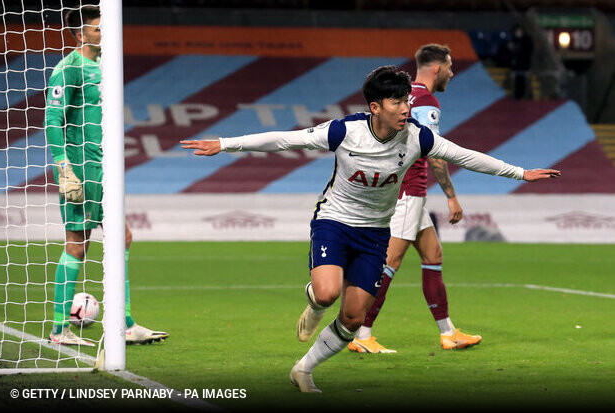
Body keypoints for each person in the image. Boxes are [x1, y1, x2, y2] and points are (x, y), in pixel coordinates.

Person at [181, 66, 559, 393]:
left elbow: (462, 155)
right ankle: (314, 300)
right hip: (335, 222)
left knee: (354, 318)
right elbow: (284, 139)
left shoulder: (417, 137)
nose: (406, 109)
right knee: (328, 294)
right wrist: (225, 143)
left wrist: (520, 173)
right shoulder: (344, 131)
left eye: (407, 101)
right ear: (375, 107)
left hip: (376, 232)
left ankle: (303, 369)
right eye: (397, 102)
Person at [45, 6, 168, 346]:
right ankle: (60, 329)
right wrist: (63, 167)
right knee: (78, 243)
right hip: (82, 168)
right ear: (80, 35)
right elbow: (52, 121)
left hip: (104, 168)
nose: (105, 34)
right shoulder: (68, 69)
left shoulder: (104, 67)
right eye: (98, 29)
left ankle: (124, 324)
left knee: (121, 237)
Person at [348, 44, 480, 354]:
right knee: (389, 263)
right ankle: (361, 333)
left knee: (433, 256)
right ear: (436, 69)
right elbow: (434, 153)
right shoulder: (426, 101)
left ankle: (448, 332)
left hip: (411, 192)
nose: (451, 72)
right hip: (408, 192)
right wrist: (451, 197)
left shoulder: (409, 97)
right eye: (449, 67)